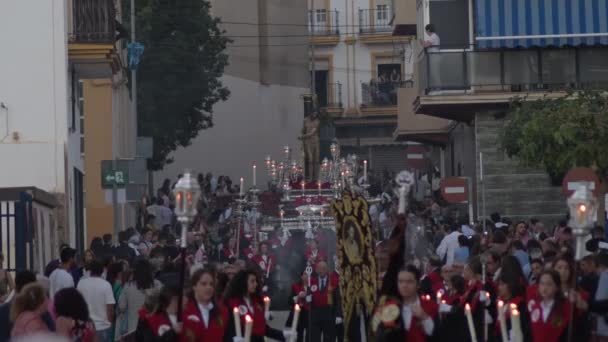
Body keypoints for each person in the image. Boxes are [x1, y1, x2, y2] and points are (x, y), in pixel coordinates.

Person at [374, 265, 438, 341]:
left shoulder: (431, 306)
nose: (404, 285)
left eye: (409, 282)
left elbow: (436, 335)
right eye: (400, 281)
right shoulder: (387, 307)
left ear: (418, 284)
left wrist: (424, 317)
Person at [225, 269, 288, 342]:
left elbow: (262, 328)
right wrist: (232, 339)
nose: (256, 284)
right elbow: (228, 328)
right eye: (252, 281)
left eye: (256, 281)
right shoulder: (232, 303)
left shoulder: (257, 302)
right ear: (243, 283)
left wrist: (283, 334)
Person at [0, 271, 54, 342]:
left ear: (16, 288)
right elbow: (52, 335)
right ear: (34, 287)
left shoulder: (3, 311)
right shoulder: (42, 312)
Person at [119, 259, 162, 338]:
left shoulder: (128, 286)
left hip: (133, 328)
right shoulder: (158, 285)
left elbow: (122, 307)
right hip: (153, 328)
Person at [181, 268, 227, 341]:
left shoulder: (222, 311)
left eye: (211, 284)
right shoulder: (184, 309)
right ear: (194, 286)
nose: (209, 287)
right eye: (204, 284)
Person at [528, 270, 572, 342]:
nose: (544, 288)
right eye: (542, 284)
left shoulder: (564, 307)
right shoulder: (535, 307)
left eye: (549, 284)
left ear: (557, 287)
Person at [77, 260, 115, 342]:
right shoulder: (106, 285)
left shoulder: (81, 283)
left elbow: (77, 305)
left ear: (90, 271)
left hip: (85, 326)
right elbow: (110, 308)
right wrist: (110, 324)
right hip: (103, 326)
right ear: (102, 271)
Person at [309, 261, 340, 342]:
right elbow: (308, 299)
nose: (321, 270)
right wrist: (307, 298)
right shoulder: (311, 282)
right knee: (314, 338)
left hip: (329, 314)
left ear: (327, 270)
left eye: (324, 268)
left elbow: (337, 299)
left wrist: (338, 314)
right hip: (315, 315)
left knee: (329, 338)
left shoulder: (333, 281)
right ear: (316, 270)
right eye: (319, 268)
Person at [285, 271, 309, 342]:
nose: (306, 276)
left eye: (307, 275)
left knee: (309, 333)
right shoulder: (296, 286)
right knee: (299, 333)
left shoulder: (312, 286)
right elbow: (289, 301)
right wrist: (298, 296)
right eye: (304, 274)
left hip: (310, 313)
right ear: (301, 276)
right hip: (299, 314)